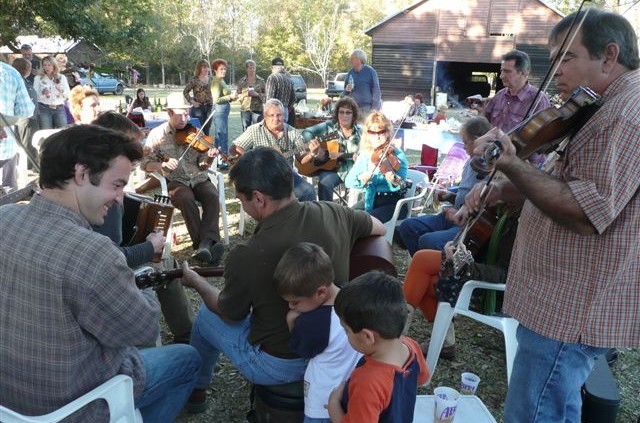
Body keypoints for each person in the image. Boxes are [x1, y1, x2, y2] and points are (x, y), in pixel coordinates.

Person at [464, 9, 640, 422]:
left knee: (535, 412)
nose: (555, 71)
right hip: (559, 301)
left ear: (609, 56)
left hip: (570, 307)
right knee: (555, 406)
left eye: (566, 57)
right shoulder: (598, 107)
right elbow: (565, 182)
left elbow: (585, 210)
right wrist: (505, 189)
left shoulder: (625, 116)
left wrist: (510, 164)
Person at [0, 125, 201, 422]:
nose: (120, 198)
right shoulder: (93, 253)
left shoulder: (5, 217)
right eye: (117, 185)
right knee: (188, 359)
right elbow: (143, 329)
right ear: (81, 175)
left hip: (8, 400)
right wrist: (139, 281)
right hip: (72, 406)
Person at [180, 146, 386, 413]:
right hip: (335, 347)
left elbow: (230, 313)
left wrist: (196, 282)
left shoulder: (247, 254)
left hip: (281, 364)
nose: (242, 205)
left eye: (241, 200)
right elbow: (378, 229)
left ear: (258, 198)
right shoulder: (335, 213)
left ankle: (196, 391)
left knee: (207, 316)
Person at [91, 111, 195, 345]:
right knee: (164, 260)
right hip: (111, 279)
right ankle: (184, 333)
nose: (138, 151)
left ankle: (186, 330)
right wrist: (150, 247)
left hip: (105, 265)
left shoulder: (93, 178)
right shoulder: (107, 201)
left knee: (166, 259)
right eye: (133, 146)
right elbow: (113, 259)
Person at [403, 199, 521, 359]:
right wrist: (456, 243)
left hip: (488, 288)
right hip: (471, 269)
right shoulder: (499, 209)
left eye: (502, 178)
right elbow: (474, 241)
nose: (496, 181)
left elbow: (505, 274)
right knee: (421, 260)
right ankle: (441, 340)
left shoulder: (519, 224)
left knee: (426, 281)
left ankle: (397, 334)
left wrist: (463, 265)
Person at [273, 242, 362, 423]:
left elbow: (302, 351)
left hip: (322, 402)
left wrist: (291, 321)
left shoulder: (313, 323)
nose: (291, 306)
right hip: (353, 392)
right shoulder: (354, 297)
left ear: (321, 292)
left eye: (295, 301)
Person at [327, 271, 429, 423]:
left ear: (368, 337)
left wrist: (333, 405)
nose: (345, 334)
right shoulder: (411, 346)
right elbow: (422, 378)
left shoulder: (368, 383)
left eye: (346, 329)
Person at [141, 92, 224, 264]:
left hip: (199, 177)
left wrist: (209, 157)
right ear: (169, 113)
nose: (185, 118)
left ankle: (205, 245)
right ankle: (204, 244)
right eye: (180, 114)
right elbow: (145, 164)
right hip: (176, 181)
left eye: (187, 114)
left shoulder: (194, 133)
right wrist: (161, 165)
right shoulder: (157, 135)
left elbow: (202, 164)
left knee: (212, 196)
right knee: (186, 199)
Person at [398, 116, 491, 255]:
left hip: (468, 225)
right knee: (407, 227)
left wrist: (459, 213)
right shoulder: (471, 161)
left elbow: (486, 206)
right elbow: (465, 193)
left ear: (478, 140)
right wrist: (450, 196)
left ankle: (435, 271)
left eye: (466, 142)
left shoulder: (489, 167)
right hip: (453, 217)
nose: (463, 146)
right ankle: (424, 267)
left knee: (428, 241)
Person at [231, 98, 317, 201]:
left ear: (284, 116)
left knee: (309, 191)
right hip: (262, 177)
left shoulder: (292, 132)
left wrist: (312, 153)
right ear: (265, 116)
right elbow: (235, 148)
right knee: (270, 198)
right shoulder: (254, 130)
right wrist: (251, 160)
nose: (276, 119)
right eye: (272, 115)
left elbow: (301, 159)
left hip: (286, 175)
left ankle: (304, 216)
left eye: (279, 115)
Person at [345, 111, 408, 223]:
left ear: (388, 132)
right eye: (372, 132)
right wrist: (360, 178)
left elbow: (402, 183)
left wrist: (393, 180)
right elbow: (348, 181)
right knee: (345, 218)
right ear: (367, 134)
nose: (377, 137)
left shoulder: (397, 155)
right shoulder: (365, 155)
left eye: (381, 132)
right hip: (370, 199)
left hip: (392, 202)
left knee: (363, 222)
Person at [301, 96, 362, 201]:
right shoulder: (329, 126)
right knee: (324, 182)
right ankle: (327, 212)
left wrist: (360, 158)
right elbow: (306, 133)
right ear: (337, 114)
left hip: (355, 170)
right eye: (341, 112)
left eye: (348, 112)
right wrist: (314, 147)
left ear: (354, 115)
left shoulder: (361, 132)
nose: (344, 116)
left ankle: (355, 213)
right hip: (334, 169)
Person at [479, 49, 551, 132]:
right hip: (492, 144)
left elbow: (544, 136)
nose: (501, 76)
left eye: (507, 71)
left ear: (524, 73)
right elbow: (485, 124)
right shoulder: (499, 95)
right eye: (502, 71)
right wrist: (482, 111)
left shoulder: (539, 101)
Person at [0, 60, 34, 189]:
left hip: (5, 148)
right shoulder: (10, 72)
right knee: (6, 202)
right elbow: (25, 110)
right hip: (5, 150)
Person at [11, 57, 40, 170]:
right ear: (25, 69)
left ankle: (27, 165)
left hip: (28, 116)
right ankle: (28, 166)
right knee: (27, 143)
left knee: (27, 141)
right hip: (26, 117)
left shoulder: (23, 81)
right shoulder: (20, 82)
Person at [33, 55, 70, 130]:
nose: (47, 67)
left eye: (49, 65)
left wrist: (62, 91)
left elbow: (68, 95)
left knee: (63, 131)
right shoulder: (38, 78)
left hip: (59, 108)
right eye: (44, 65)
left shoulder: (61, 77)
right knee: (46, 132)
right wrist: (43, 93)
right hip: (44, 108)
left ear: (54, 65)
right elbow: (35, 96)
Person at [211, 58, 237, 159]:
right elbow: (216, 100)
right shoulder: (216, 82)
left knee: (220, 135)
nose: (224, 71)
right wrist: (230, 97)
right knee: (222, 135)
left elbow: (225, 97)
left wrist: (232, 97)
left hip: (223, 111)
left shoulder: (222, 81)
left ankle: (218, 158)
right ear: (215, 70)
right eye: (221, 69)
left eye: (225, 69)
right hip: (219, 111)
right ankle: (223, 158)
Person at [343, 49, 382, 116]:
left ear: (359, 60)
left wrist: (374, 110)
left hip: (366, 109)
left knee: (364, 126)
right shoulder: (350, 73)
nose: (350, 60)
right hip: (352, 109)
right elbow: (345, 92)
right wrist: (346, 90)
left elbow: (376, 91)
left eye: (353, 58)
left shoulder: (370, 72)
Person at [183, 59, 214, 136]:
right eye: (204, 67)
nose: (206, 69)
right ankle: (198, 147)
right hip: (198, 109)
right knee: (199, 131)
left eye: (207, 67)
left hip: (209, 107)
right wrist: (192, 102)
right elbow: (185, 92)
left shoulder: (211, 79)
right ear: (199, 68)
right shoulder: (194, 80)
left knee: (207, 131)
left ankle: (206, 147)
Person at [237, 59, 266, 131]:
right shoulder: (241, 81)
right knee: (246, 130)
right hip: (245, 110)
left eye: (254, 68)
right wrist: (245, 94)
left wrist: (257, 94)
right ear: (246, 69)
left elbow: (266, 96)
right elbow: (237, 96)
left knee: (258, 130)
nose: (252, 70)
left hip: (258, 110)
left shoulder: (261, 81)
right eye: (250, 68)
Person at [265, 57, 296, 122]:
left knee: (272, 131)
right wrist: (287, 108)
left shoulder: (272, 77)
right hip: (285, 110)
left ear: (272, 67)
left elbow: (269, 98)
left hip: (274, 111)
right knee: (284, 130)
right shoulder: (289, 79)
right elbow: (293, 98)